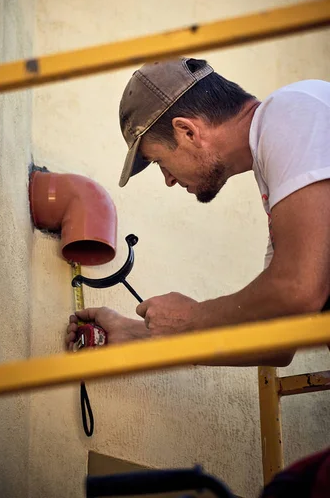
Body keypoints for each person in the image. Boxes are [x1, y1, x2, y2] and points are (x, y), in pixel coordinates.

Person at [65, 58, 330, 366]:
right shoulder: (284, 186)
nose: (168, 180)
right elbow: (276, 343)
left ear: (187, 132)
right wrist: (138, 336)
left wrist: (193, 318)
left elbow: (298, 289)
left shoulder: (294, 109)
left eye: (159, 162)